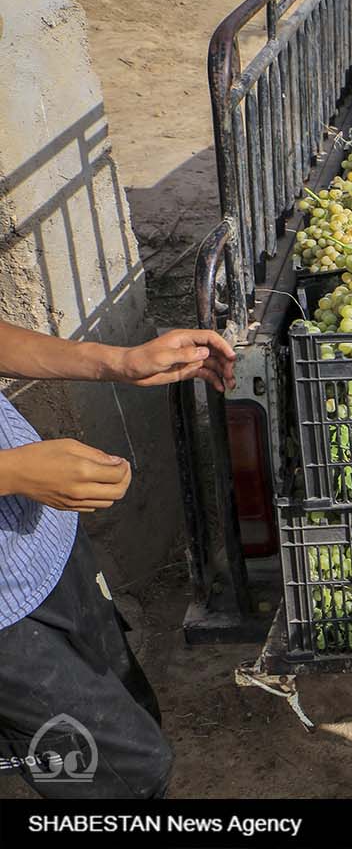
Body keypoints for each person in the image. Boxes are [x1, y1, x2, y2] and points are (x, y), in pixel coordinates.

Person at [0, 321, 235, 799]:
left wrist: (117, 362)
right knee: (123, 778)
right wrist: (11, 472)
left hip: (44, 544)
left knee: (130, 711)